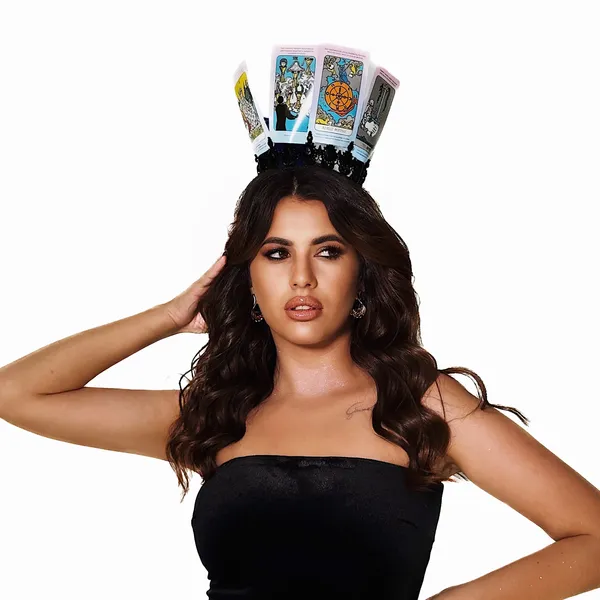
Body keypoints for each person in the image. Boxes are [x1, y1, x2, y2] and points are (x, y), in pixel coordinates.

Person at [3, 69, 600, 600]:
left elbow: (593, 536)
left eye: (329, 251)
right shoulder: (211, 415)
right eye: (277, 252)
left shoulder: (420, 406)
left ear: (362, 272)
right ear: (248, 276)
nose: (302, 277)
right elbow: (16, 394)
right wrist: (168, 316)